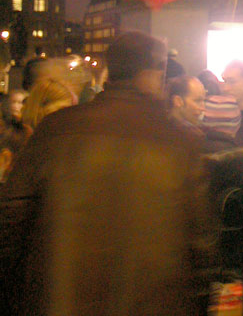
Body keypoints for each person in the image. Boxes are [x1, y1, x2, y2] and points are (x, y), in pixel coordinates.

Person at [0, 31, 219, 316]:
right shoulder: (179, 143)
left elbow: (10, 224)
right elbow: (202, 249)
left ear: (110, 71)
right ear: (156, 74)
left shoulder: (54, 129)